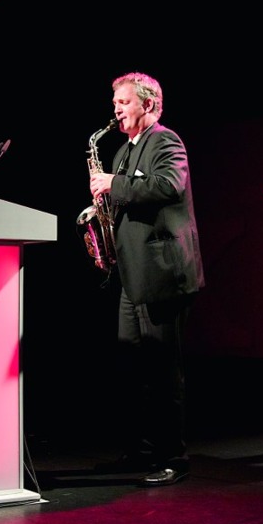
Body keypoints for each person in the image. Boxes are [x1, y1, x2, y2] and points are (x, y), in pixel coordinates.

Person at [88, 72, 205, 487]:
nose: (116, 109)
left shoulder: (166, 141)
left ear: (149, 104)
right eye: (115, 102)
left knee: (162, 368)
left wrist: (113, 184)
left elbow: (169, 185)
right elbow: (125, 197)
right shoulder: (123, 150)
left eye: (124, 102)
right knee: (132, 367)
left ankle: (174, 456)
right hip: (133, 274)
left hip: (163, 273)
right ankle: (141, 450)